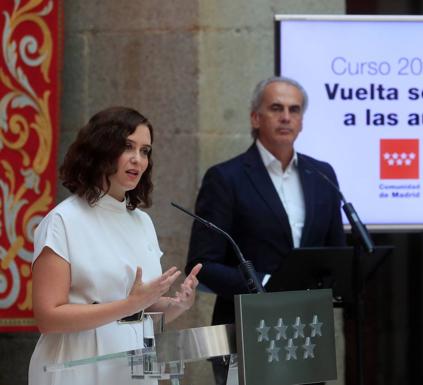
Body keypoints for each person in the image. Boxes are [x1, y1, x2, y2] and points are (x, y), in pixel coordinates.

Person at [186, 76, 346, 384]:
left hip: (306, 330)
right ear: (255, 118)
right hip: (245, 330)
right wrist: (268, 283)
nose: (286, 116)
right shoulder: (226, 178)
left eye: (294, 110)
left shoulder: (321, 174)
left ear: (301, 121)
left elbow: (333, 253)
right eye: (276, 108)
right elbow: (202, 264)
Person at [28, 107, 202, 385]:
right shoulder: (63, 220)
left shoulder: (142, 222)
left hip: (132, 366)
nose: (138, 160)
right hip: (76, 366)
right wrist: (129, 305)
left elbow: (139, 308)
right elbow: (48, 317)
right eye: (127, 147)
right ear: (101, 149)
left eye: (145, 151)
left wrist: (175, 305)